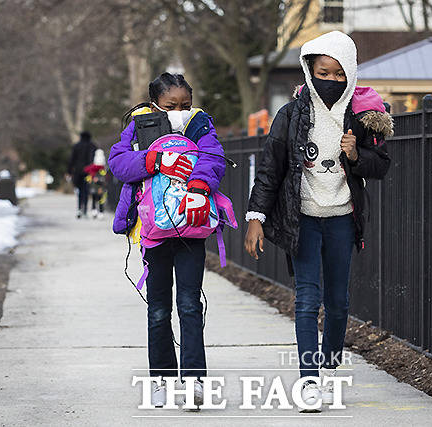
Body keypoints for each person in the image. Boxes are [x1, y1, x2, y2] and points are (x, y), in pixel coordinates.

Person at [244, 31, 393, 412]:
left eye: (339, 74)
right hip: (304, 219)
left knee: (338, 302)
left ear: (351, 75)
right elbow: (270, 168)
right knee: (307, 300)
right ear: (310, 71)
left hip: (343, 218)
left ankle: (330, 361)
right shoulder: (291, 114)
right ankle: (310, 380)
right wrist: (255, 217)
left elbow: (382, 166)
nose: (331, 80)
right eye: (323, 72)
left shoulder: (361, 115)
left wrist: (357, 155)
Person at [108, 73, 226, 409]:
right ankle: (160, 378)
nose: (178, 112)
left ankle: (194, 382)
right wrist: (154, 160)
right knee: (158, 308)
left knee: (190, 304)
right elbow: (118, 163)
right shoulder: (140, 124)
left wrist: (200, 185)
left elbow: (214, 157)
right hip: (152, 229)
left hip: (192, 224)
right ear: (154, 103)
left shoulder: (199, 123)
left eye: (185, 105)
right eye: (170, 106)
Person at [68, 131, 97, 218]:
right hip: (89, 172)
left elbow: (72, 159)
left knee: (80, 191)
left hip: (78, 172)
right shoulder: (92, 146)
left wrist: (69, 171)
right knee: (86, 191)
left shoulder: (76, 146)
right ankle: (84, 209)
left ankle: (79, 208)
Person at [84, 149, 107, 219]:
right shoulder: (103, 168)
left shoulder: (92, 168)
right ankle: (100, 212)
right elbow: (106, 177)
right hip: (101, 185)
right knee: (101, 199)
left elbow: (85, 169)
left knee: (94, 198)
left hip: (94, 185)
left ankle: (94, 211)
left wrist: (91, 177)